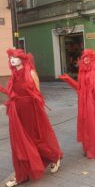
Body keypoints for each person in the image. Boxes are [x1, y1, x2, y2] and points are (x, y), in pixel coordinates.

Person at [0, 49, 63, 187]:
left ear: (22, 59)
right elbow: (12, 94)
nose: (12, 59)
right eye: (11, 58)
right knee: (18, 142)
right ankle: (21, 174)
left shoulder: (31, 73)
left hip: (30, 110)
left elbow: (38, 94)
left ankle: (54, 156)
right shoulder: (13, 76)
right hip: (16, 111)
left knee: (32, 139)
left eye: (15, 57)